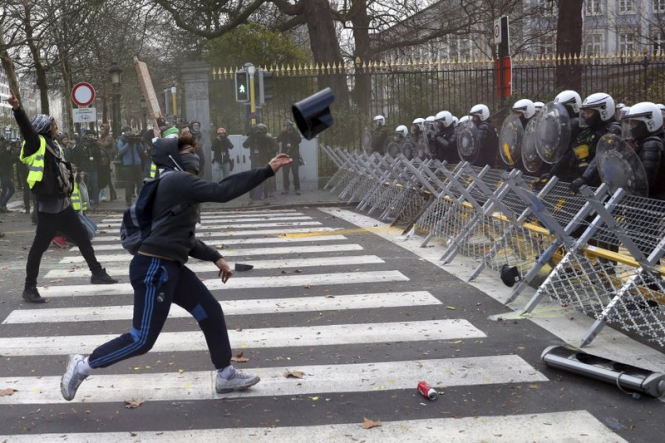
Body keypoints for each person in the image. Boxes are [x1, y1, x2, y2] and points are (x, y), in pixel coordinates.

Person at [60, 133, 292, 401]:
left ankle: (225, 374)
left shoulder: (176, 183)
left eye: (194, 147)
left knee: (210, 311)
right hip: (154, 269)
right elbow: (222, 191)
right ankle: (82, 365)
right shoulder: (177, 180)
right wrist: (266, 170)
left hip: (170, 266)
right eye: (187, 150)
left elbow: (181, 237)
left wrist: (215, 257)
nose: (194, 153)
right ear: (174, 157)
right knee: (141, 339)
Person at [7, 90, 117, 303]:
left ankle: (97, 273)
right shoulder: (35, 142)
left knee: (83, 237)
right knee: (39, 248)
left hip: (62, 203)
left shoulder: (54, 144)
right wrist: (18, 110)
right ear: (45, 129)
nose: (57, 129)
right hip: (48, 206)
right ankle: (29, 288)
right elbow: (27, 130)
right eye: (53, 126)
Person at [544, 92, 621, 188]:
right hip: (583, 182)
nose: (585, 115)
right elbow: (571, 153)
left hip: (602, 184)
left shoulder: (613, 130)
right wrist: (552, 174)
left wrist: (585, 178)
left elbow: (601, 156)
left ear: (603, 111)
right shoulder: (588, 130)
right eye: (585, 112)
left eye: (590, 112)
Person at [243, 123, 276, 202]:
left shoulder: (264, 138)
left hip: (263, 160)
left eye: (260, 131)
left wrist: (263, 136)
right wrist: (252, 136)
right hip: (254, 161)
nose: (258, 133)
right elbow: (245, 145)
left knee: (264, 180)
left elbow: (273, 142)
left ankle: (266, 197)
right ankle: (251, 197)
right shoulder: (252, 138)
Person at [117, 126, 145, 206]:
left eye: (129, 131)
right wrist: (128, 143)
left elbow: (141, 150)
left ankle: (140, 198)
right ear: (124, 132)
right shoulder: (122, 140)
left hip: (137, 162)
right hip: (128, 163)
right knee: (129, 182)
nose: (128, 132)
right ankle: (128, 200)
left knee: (139, 181)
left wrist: (138, 142)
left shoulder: (134, 138)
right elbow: (121, 151)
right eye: (126, 131)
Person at [276, 120, 303, 195]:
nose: (287, 127)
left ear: (292, 126)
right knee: (285, 173)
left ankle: (297, 189)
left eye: (289, 126)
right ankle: (286, 188)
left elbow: (299, 140)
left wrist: (291, 134)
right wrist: (283, 132)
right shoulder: (283, 134)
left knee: (295, 173)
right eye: (286, 126)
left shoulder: (295, 133)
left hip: (294, 156)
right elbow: (277, 139)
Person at [469, 103, 499, 168]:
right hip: (487, 161)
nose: (473, 119)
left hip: (482, 162)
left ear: (482, 116)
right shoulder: (489, 126)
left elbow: (477, 143)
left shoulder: (484, 127)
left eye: (475, 116)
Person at [97, 123, 117, 202]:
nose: (101, 131)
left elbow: (104, 145)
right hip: (101, 161)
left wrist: (97, 142)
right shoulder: (100, 138)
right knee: (101, 179)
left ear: (107, 130)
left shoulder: (109, 138)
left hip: (108, 161)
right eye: (101, 129)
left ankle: (113, 193)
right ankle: (102, 195)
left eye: (103, 129)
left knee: (109, 180)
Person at [0, 135, 15, 213]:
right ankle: (2, 204)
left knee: (4, 190)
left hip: (4, 173)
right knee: (12, 190)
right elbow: (9, 161)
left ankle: (2, 206)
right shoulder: (3, 153)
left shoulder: (4, 152)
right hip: (5, 173)